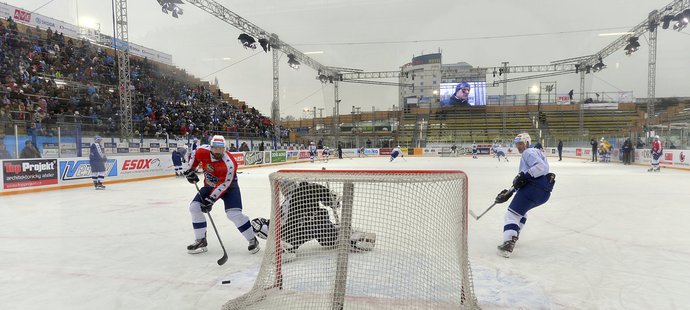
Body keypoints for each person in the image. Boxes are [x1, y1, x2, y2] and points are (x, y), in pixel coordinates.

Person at [250, 181, 376, 260]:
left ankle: (286, 249)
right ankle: (351, 236)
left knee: (326, 239)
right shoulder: (308, 189)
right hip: (319, 225)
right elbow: (333, 200)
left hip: (303, 230)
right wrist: (332, 200)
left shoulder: (289, 202)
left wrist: (267, 227)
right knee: (329, 240)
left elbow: (280, 224)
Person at [183, 135, 259, 255]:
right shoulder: (202, 150)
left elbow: (224, 184)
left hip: (229, 188)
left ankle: (252, 239)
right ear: (211, 147)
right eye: (215, 148)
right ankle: (201, 240)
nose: (218, 152)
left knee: (233, 214)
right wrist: (190, 170)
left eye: (221, 149)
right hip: (209, 185)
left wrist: (211, 200)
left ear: (224, 149)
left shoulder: (229, 163)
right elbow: (195, 156)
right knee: (194, 207)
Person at [494, 133, 555, 257]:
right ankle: (514, 235)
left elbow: (540, 168)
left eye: (520, 143)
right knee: (521, 212)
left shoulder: (528, 152)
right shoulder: (536, 152)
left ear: (527, 143)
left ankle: (508, 243)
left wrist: (525, 176)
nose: (518, 146)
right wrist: (509, 192)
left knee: (511, 214)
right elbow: (523, 180)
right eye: (517, 144)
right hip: (544, 192)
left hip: (534, 188)